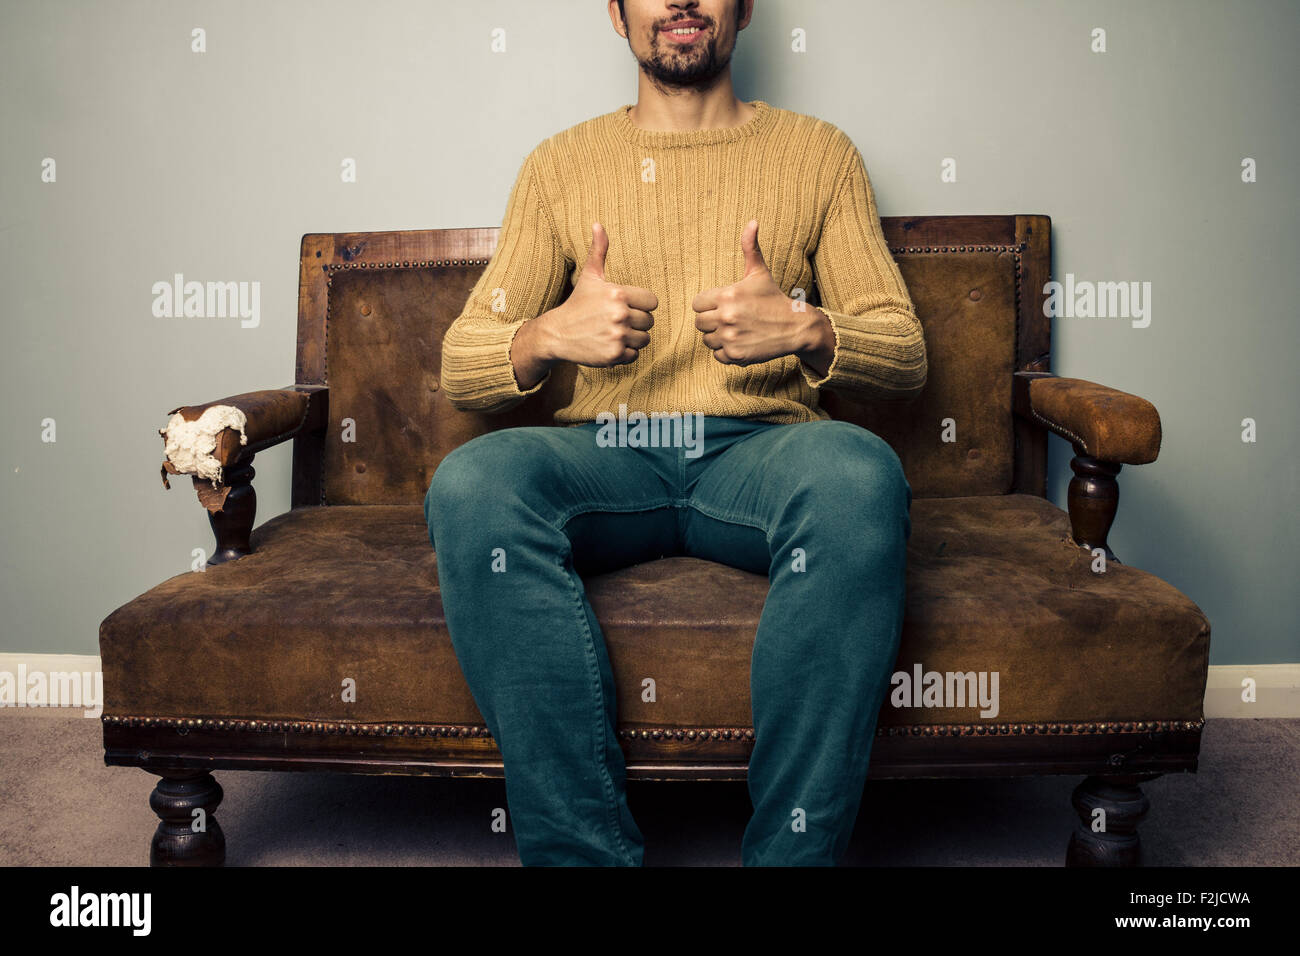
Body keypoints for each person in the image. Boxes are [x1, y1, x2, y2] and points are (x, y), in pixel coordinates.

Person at [424, 0, 927, 866]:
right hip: (605, 458)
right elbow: (463, 364)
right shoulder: (559, 165)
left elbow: (907, 351)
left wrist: (806, 326)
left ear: (745, 9)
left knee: (860, 476)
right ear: (618, 16)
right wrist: (548, 335)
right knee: (472, 485)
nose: (683, 2)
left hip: (761, 453)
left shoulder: (820, 154)